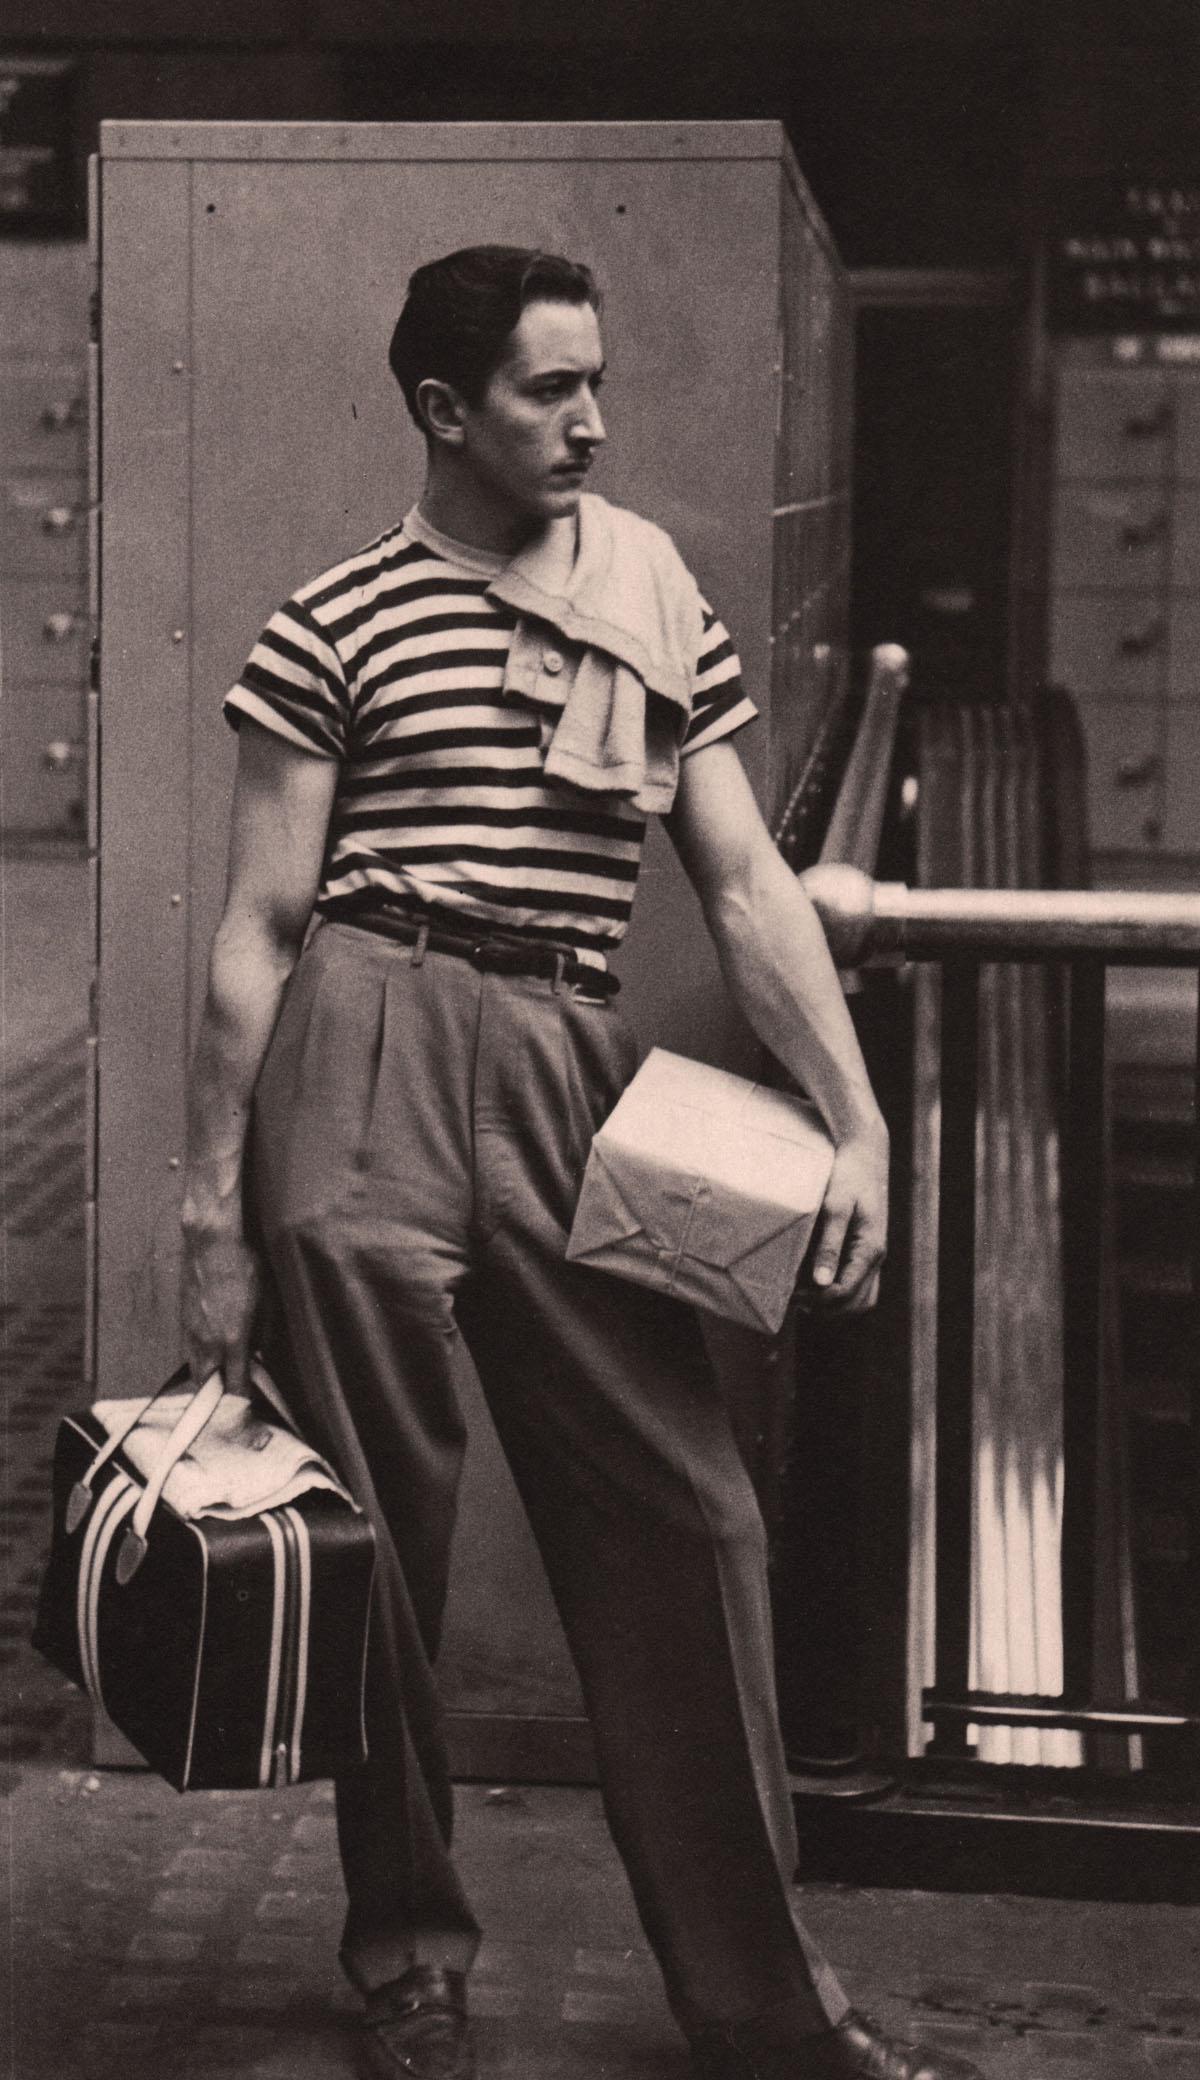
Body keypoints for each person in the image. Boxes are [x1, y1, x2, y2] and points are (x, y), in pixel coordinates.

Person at [180, 246, 978, 2080]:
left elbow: (745, 884)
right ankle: (410, 1961)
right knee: (377, 1549)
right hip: (366, 1048)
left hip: (565, 1059)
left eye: (598, 380)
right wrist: (207, 1204)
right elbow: (257, 926)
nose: (593, 420)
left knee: (693, 1517)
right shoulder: (337, 622)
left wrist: (855, 1118)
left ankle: (765, 2006)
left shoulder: (652, 594)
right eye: (551, 388)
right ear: (447, 409)